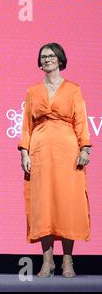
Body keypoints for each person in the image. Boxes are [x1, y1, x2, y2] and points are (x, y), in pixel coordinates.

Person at [19, 43, 92, 278]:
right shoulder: (33, 91)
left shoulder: (73, 89)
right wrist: (24, 152)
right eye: (43, 56)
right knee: (43, 205)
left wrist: (85, 149)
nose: (47, 59)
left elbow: (81, 121)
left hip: (67, 152)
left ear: (60, 59)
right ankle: (47, 260)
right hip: (40, 152)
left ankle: (68, 261)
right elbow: (26, 126)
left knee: (66, 204)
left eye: (51, 55)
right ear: (40, 63)